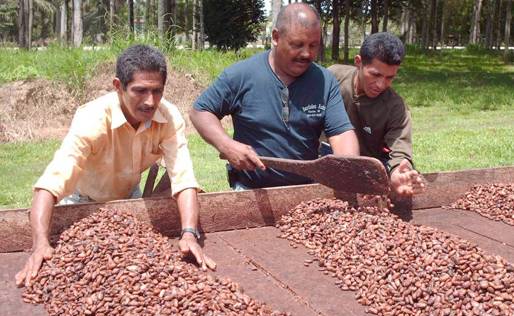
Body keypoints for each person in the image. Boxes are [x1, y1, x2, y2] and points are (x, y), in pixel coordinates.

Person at [15, 45, 216, 287]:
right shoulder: (93, 119)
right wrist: (40, 245)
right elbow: (50, 183)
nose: (150, 101)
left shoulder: (169, 117)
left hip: (129, 200)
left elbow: (183, 177)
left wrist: (189, 233)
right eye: (140, 91)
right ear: (118, 86)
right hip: (82, 202)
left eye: (157, 91)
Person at [190, 3, 359, 190]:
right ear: (276, 37)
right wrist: (226, 145)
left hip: (305, 190)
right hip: (250, 190)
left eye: (314, 45)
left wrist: (351, 173)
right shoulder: (241, 75)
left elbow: (341, 134)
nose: (307, 54)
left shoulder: (324, 81)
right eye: (297, 45)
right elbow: (200, 111)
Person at [328, 32, 425, 197]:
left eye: (389, 78)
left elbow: (399, 151)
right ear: (358, 62)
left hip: (366, 174)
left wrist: (399, 173)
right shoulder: (332, 78)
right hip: (326, 161)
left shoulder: (396, 108)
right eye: (375, 74)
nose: (380, 84)